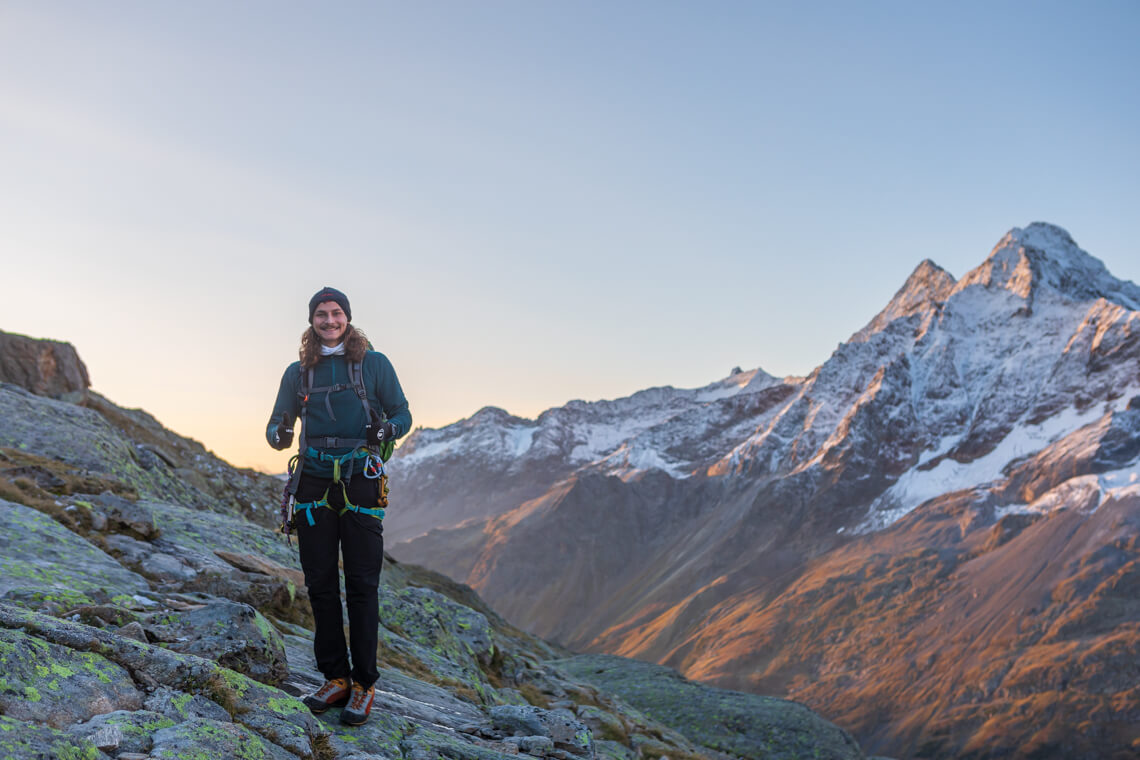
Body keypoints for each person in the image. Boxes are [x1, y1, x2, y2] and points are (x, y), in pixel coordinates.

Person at [266, 286, 411, 725]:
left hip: (360, 480)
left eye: (336, 313)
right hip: (311, 481)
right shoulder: (298, 373)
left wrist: (385, 431)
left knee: (363, 586)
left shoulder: (374, 364)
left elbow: (403, 414)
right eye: (321, 315)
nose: (330, 320)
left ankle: (364, 684)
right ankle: (335, 677)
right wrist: (278, 434)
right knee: (321, 583)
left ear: (348, 318)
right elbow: (277, 422)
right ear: (312, 321)